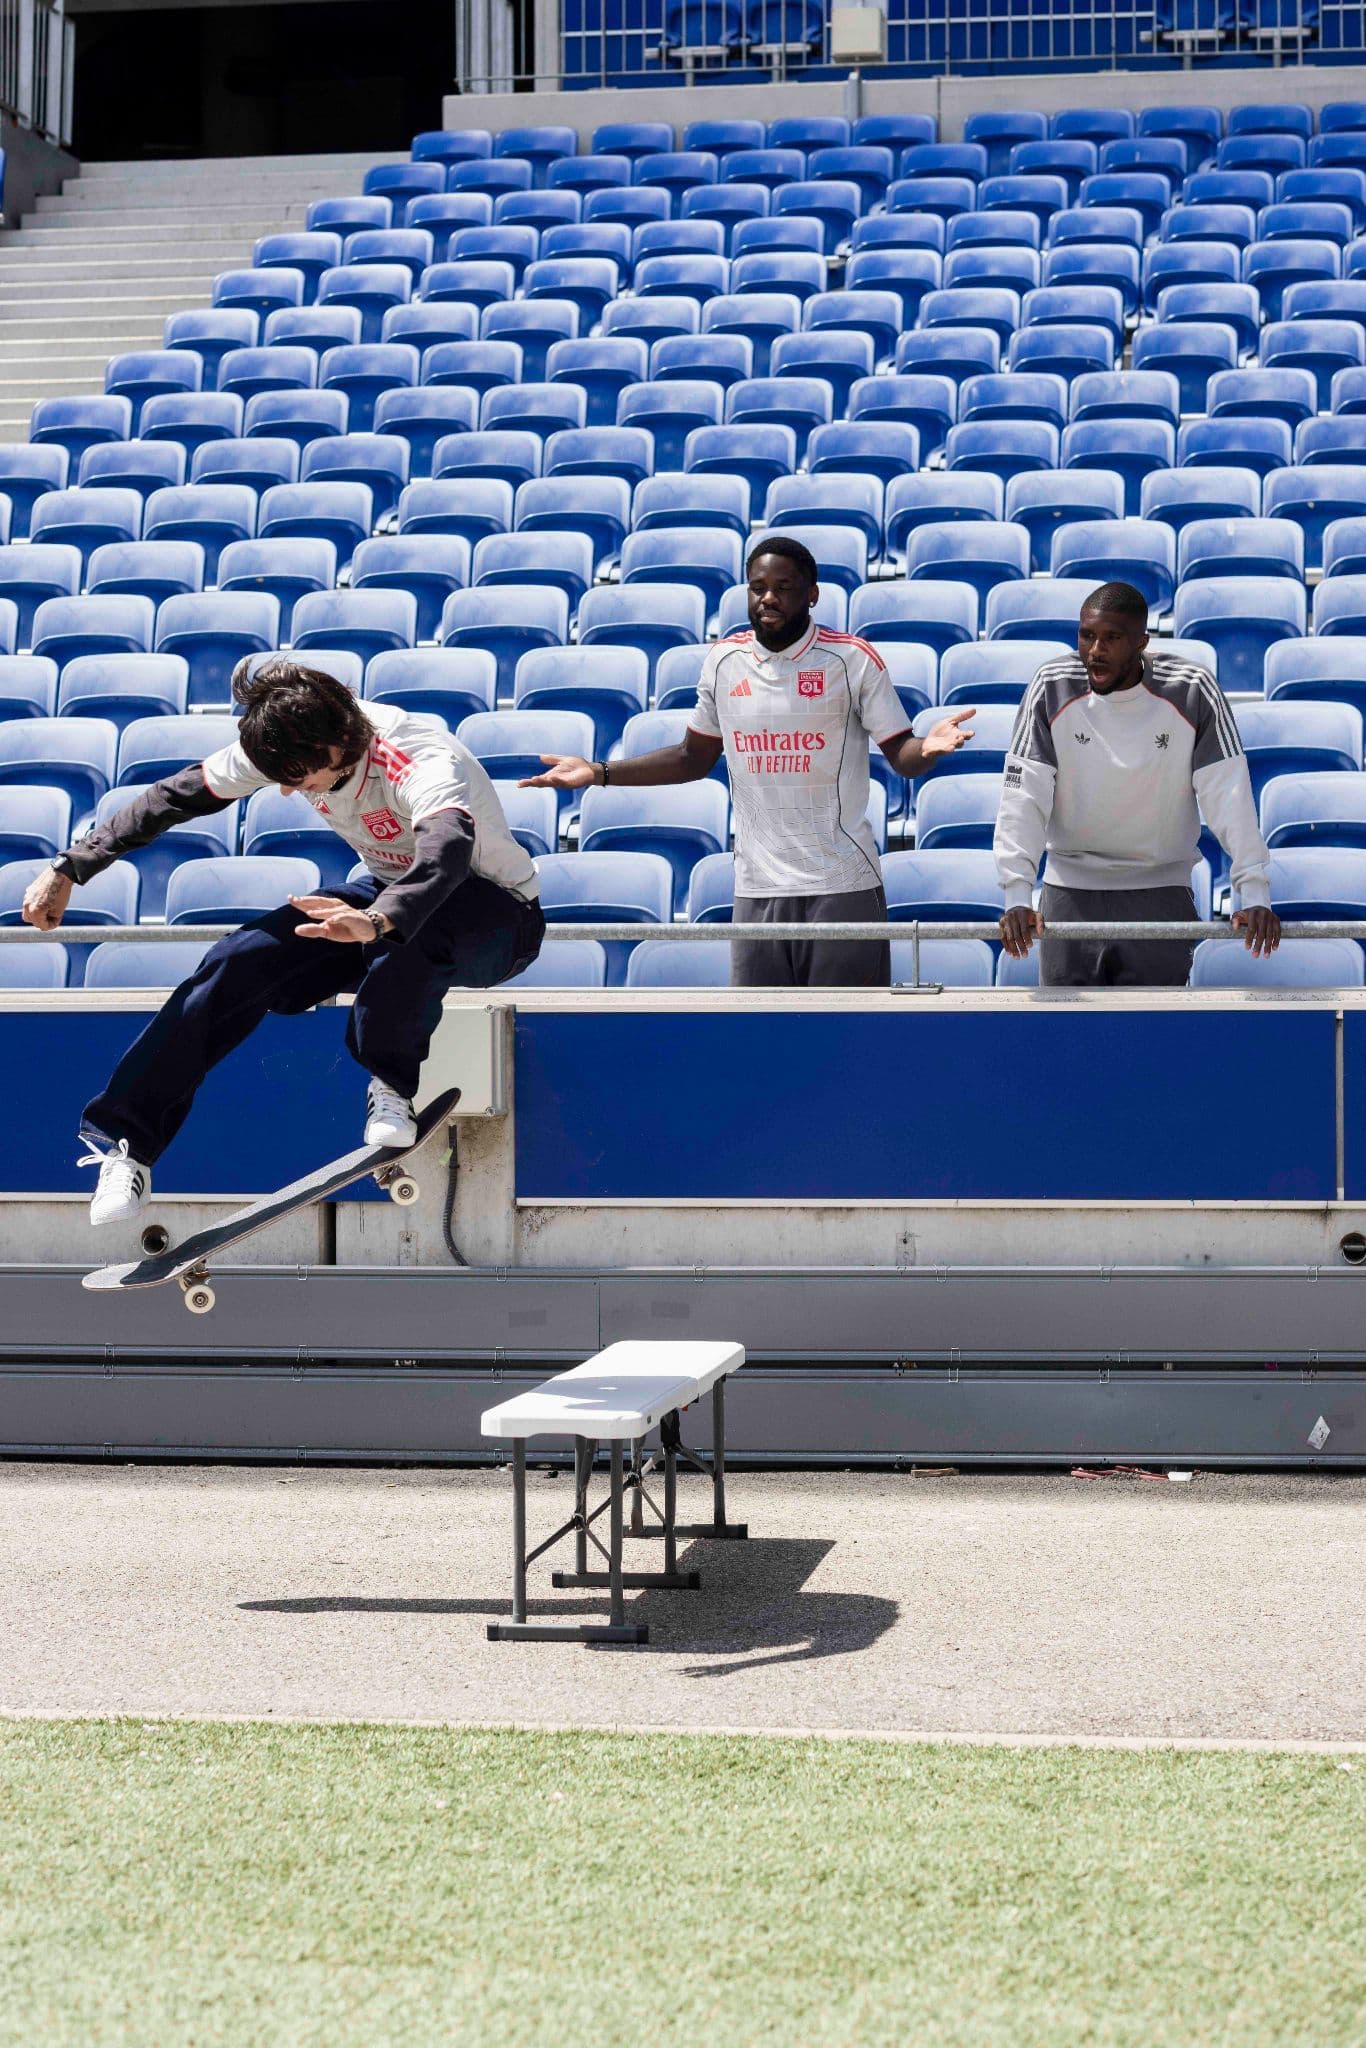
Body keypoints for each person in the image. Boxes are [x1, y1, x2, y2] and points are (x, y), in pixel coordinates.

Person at [21, 658, 545, 1226]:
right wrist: (71, 866)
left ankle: (392, 1082)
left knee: (408, 939)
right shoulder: (285, 739)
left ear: (341, 741)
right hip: (386, 892)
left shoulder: (417, 755)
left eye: (299, 777)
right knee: (239, 960)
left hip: (498, 912)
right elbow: (175, 796)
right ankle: (128, 1145)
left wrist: (375, 922)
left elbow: (444, 853)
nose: (291, 791)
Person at [521, 537, 975, 987]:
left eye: (784, 587)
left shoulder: (851, 659)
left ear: (812, 594)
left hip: (842, 884)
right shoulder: (724, 660)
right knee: (761, 1041)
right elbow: (690, 759)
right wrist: (598, 772)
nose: (769, 598)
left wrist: (927, 748)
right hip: (757, 888)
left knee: (846, 1040)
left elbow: (902, 754)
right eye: (758, 588)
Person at [994, 581, 1281, 986]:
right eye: (1087, 635)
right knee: (1068, 1039)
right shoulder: (1050, 685)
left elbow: (1228, 792)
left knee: (1157, 1039)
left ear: (1142, 641)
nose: (1095, 650)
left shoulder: (1192, 688)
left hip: (1160, 891)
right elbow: (1023, 795)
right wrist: (1017, 895)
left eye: (1112, 638)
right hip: (1068, 893)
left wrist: (1253, 893)